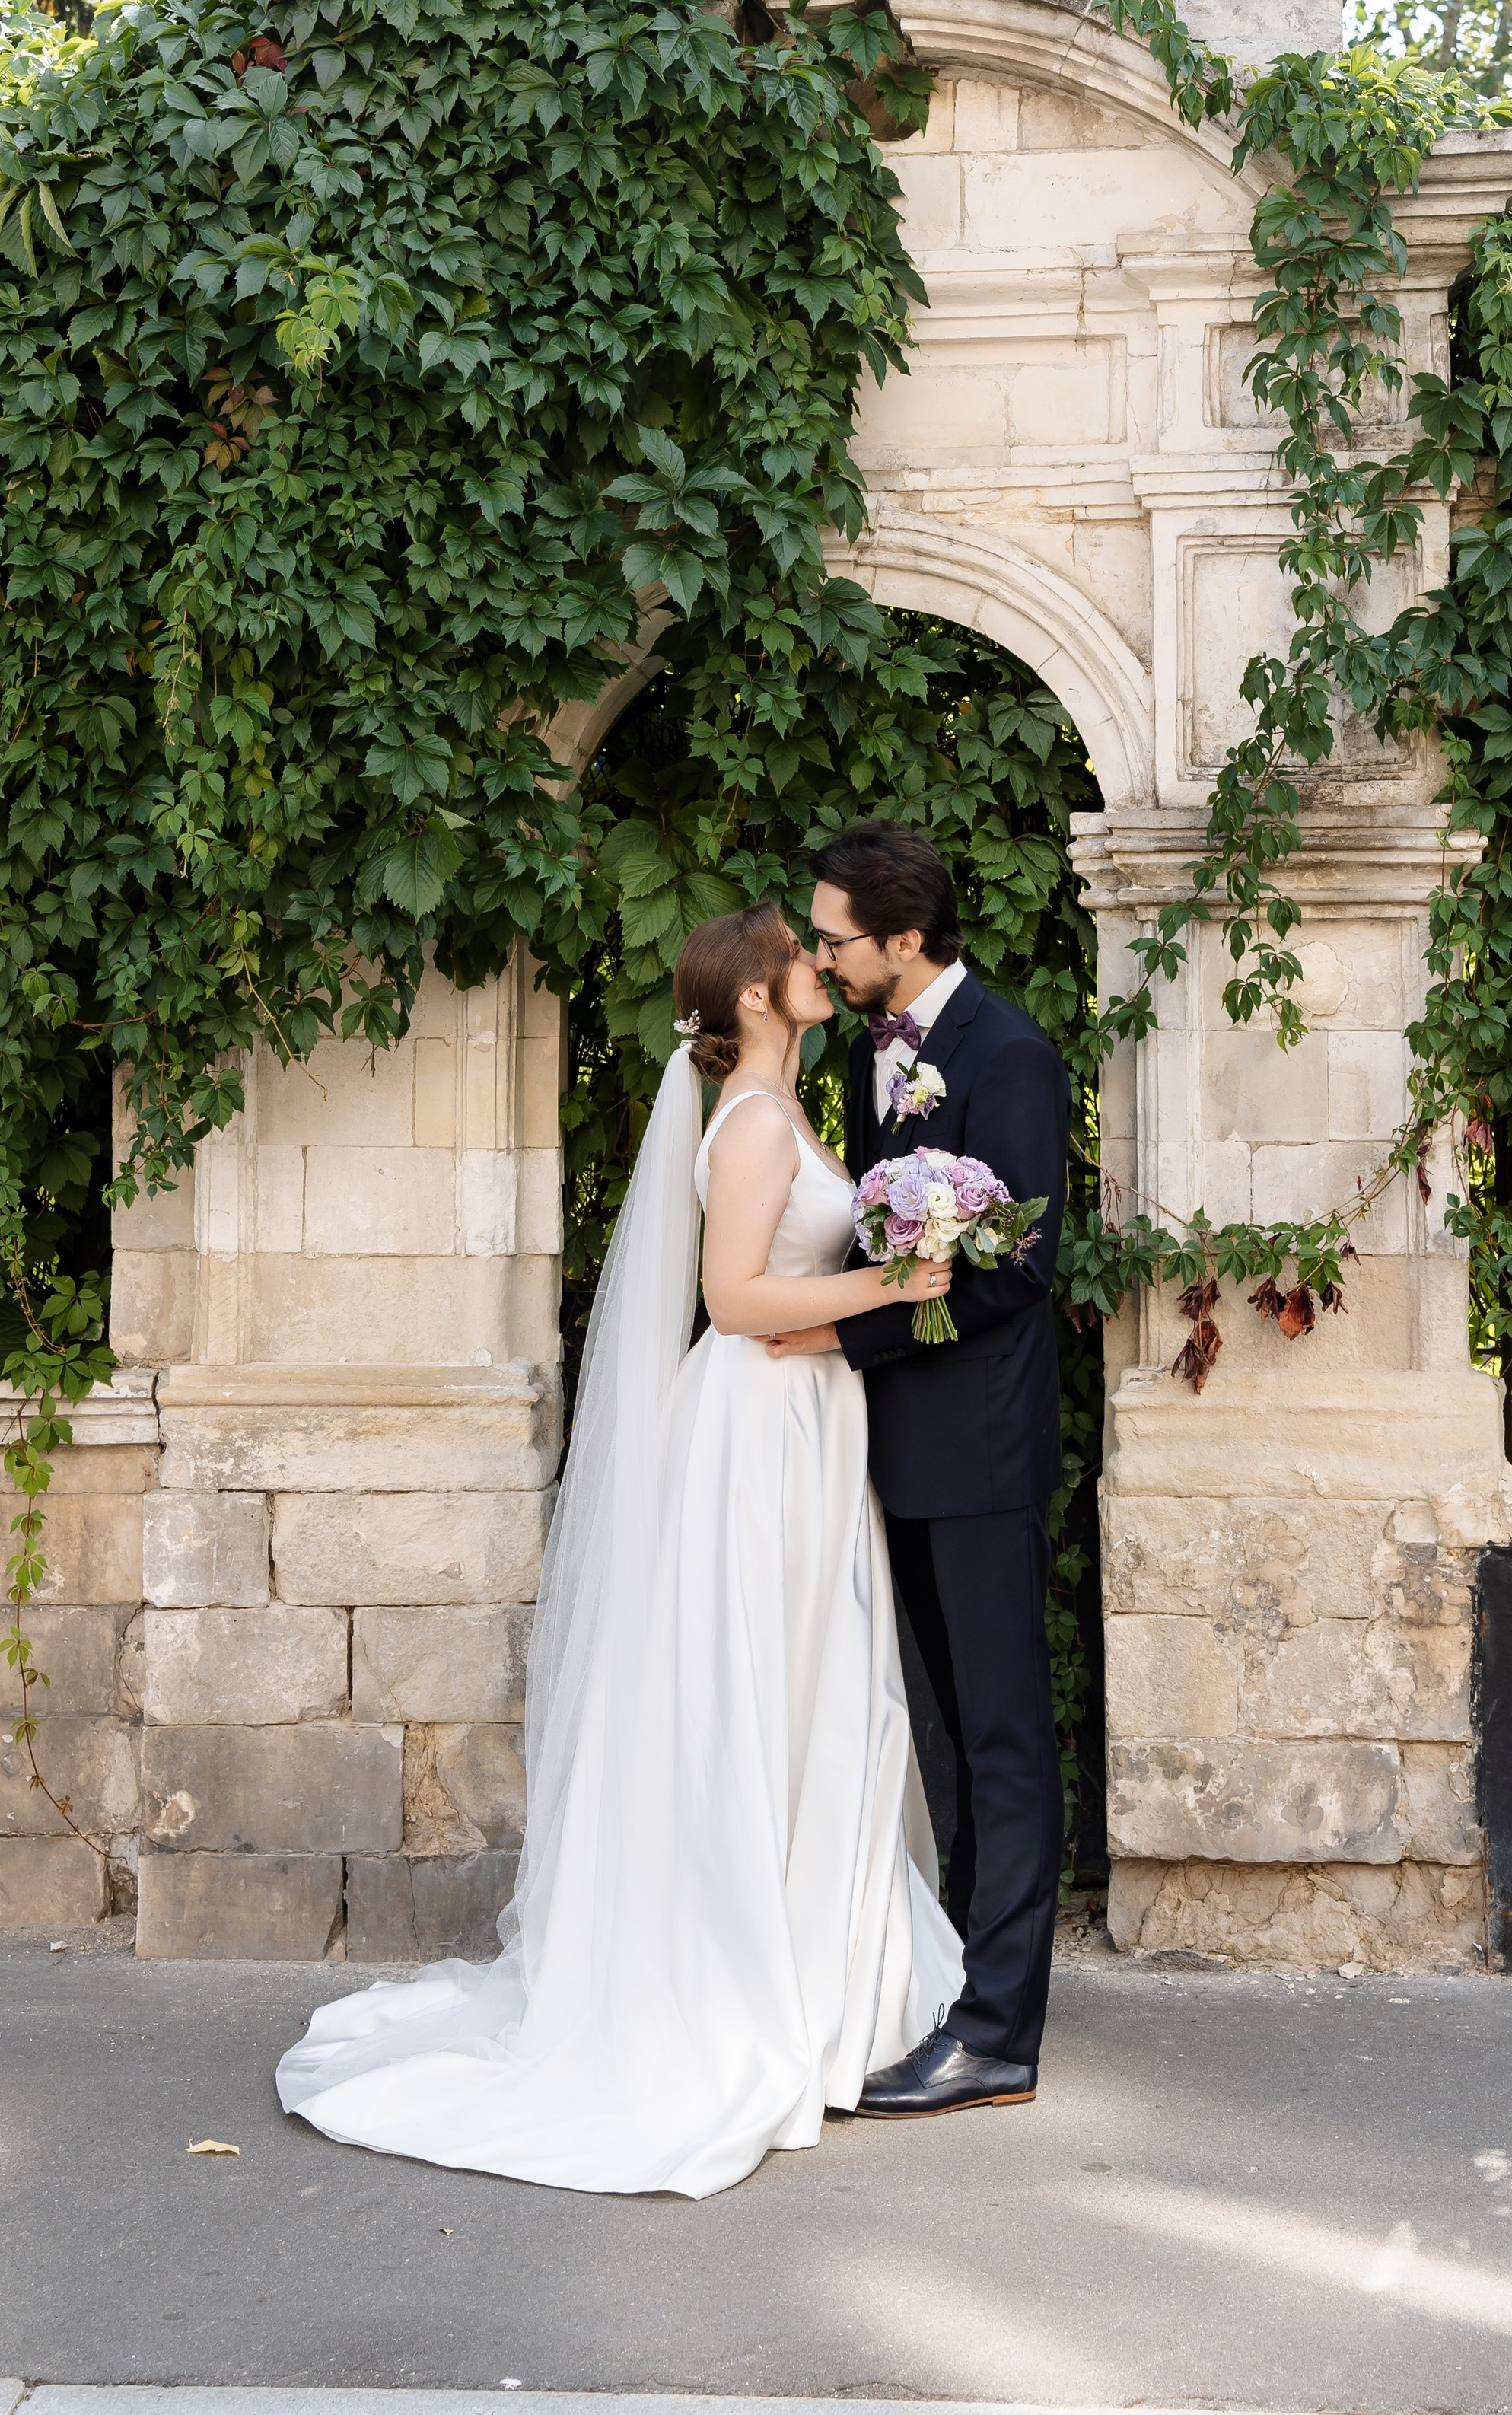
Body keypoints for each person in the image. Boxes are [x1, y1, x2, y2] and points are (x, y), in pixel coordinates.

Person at [275, 899, 962, 2198]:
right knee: (767, 1689)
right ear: (754, 998)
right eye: (796, 958)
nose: (820, 965)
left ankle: (819, 1953)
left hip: (802, 1420)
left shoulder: (785, 1106)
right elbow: (735, 1301)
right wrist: (892, 1286)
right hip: (760, 1435)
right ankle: (753, 1969)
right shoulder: (754, 1123)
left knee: (817, 1683)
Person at [766, 820, 1070, 2118]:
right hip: (898, 1442)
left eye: (837, 939)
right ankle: (955, 1974)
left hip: (984, 1450)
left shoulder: (1009, 1057)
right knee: (942, 1727)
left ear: (904, 938)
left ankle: (1000, 2033)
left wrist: (827, 1327)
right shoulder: (883, 1059)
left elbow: (1008, 1271)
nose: (823, 959)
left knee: (1002, 1736)